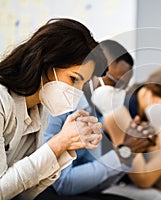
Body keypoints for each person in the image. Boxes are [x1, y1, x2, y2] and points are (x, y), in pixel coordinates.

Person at [36, 40, 156, 200]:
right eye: (114, 83)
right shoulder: (59, 107)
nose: (117, 91)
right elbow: (63, 183)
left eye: (123, 87)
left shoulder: (95, 113)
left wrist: (127, 153)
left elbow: (98, 184)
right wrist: (119, 156)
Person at [0, 18, 103, 200]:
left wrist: (64, 149)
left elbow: (24, 193)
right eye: (73, 79)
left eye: (83, 84)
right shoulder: (2, 101)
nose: (77, 91)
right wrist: (58, 144)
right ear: (47, 62)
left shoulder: (40, 111)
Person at [102, 66, 161, 200]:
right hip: (102, 184)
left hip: (125, 184)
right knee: (155, 197)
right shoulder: (120, 112)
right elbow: (144, 180)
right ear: (151, 94)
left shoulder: (149, 117)